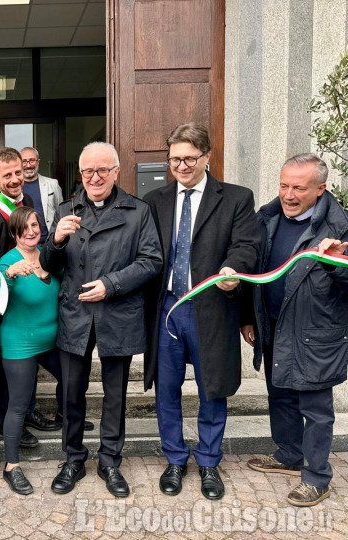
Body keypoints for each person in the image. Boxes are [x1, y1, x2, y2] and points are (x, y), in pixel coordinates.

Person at [143, 123, 259, 501]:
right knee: (167, 390)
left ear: (208, 156)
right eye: (175, 158)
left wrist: (232, 269)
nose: (182, 165)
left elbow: (246, 246)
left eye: (190, 158)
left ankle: (209, 460)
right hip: (167, 309)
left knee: (213, 389)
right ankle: (175, 458)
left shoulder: (236, 198)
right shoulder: (155, 200)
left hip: (211, 307)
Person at [41, 141, 162, 497]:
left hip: (117, 311)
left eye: (102, 170)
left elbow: (152, 261)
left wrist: (111, 284)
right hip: (76, 312)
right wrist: (57, 240)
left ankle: (110, 460)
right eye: (87, 171)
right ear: (80, 175)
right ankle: (74, 458)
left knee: (115, 395)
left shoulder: (138, 211)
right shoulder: (67, 209)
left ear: (116, 172)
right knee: (71, 393)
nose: (94, 177)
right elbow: (49, 265)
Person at [240, 153, 348, 507]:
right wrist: (249, 316)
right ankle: (289, 455)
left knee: (315, 409)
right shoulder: (266, 219)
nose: (288, 194)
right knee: (280, 395)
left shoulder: (340, 227)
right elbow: (254, 272)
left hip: (314, 333)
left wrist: (336, 264)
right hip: (272, 325)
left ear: (321, 189)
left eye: (298, 188)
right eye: (284, 185)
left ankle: (317, 478)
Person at [0, 147, 60, 448]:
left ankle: (29, 412)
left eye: (17, 173)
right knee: (7, 368)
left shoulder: (29, 201)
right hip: (6, 295)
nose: (14, 180)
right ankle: (7, 420)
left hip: (31, 294)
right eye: (6, 175)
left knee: (30, 364)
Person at [0, 207, 62, 495]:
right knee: (17, 405)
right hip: (20, 343)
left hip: (51, 341)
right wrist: (8, 275)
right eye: (24, 228)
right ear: (15, 233)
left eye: (35, 225)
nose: (31, 231)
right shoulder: (7, 261)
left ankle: (65, 419)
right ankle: (11, 467)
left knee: (71, 377)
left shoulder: (47, 253)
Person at [20, 147, 63, 243]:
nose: (28, 165)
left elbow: (61, 212)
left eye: (32, 161)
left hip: (49, 242)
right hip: (24, 243)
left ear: (38, 162)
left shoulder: (52, 184)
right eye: (24, 161)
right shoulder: (15, 187)